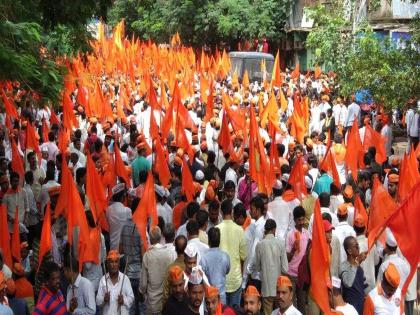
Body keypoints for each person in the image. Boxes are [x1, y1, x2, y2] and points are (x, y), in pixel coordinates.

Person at [217, 199, 248, 308]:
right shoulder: (239, 230)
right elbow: (243, 256)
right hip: (235, 279)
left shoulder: (216, 230)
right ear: (232, 212)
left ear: (221, 212)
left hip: (221, 280)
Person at [254, 219, 288, 315]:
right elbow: (285, 269)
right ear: (274, 230)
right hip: (279, 288)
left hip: (266, 288)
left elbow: (257, 268)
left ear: (265, 230)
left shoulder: (260, 245)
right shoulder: (280, 244)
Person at [139, 226, 175, 314]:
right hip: (167, 300)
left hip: (153, 302)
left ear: (150, 240)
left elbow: (143, 283)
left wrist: (141, 292)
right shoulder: (169, 254)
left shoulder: (147, 256)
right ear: (160, 238)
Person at [285, 206, 309, 314]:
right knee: (291, 303)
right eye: (299, 220)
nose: (302, 222)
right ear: (294, 220)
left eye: (303, 219)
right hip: (292, 275)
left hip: (303, 275)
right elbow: (287, 258)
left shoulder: (307, 234)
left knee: (302, 303)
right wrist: (294, 249)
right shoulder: (290, 235)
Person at [96, 250, 134, 315]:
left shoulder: (125, 279)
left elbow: (131, 298)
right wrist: (104, 300)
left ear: (119, 264)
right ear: (107, 264)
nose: (114, 265)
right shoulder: (103, 279)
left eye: (116, 262)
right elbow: (98, 301)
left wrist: (124, 301)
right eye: (111, 262)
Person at [200, 227, 231, 304]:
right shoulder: (225, 256)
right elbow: (227, 271)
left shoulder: (204, 258)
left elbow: (201, 277)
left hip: (209, 297)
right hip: (222, 296)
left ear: (209, 241)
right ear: (219, 241)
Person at [339, 236, 367, 314]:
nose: (358, 248)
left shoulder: (358, 266)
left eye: (358, 245)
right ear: (349, 251)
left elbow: (360, 284)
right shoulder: (343, 266)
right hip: (351, 308)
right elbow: (348, 283)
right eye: (356, 246)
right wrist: (357, 262)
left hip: (361, 306)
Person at [106, 183, 132, 250]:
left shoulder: (108, 210)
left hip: (112, 245)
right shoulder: (127, 211)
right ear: (122, 197)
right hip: (125, 246)